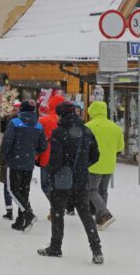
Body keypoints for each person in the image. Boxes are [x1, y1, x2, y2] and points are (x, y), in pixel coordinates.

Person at [38, 102, 103, 264]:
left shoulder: (58, 133)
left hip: (62, 180)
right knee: (85, 214)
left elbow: (55, 160)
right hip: (81, 180)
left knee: (58, 213)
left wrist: (53, 171)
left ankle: (55, 246)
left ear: (60, 115)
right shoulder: (87, 131)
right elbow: (96, 155)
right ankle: (97, 249)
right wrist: (82, 166)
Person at [0, 99, 47, 232]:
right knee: (24, 191)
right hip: (29, 162)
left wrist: (3, 157)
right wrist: (32, 151)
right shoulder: (38, 125)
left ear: (21, 110)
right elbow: (43, 146)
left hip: (14, 162)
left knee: (12, 190)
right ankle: (20, 221)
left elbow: (7, 142)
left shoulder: (15, 123)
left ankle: (28, 213)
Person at [85, 100, 124, 229]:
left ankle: (105, 214)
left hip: (94, 164)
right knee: (103, 190)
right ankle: (100, 220)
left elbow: (84, 147)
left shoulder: (89, 126)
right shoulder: (115, 127)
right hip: (109, 164)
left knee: (91, 190)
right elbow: (120, 147)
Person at [38, 94, 66, 199]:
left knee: (46, 184)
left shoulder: (43, 120)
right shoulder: (67, 121)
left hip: (46, 155)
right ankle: (58, 206)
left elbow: (38, 139)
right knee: (59, 183)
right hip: (63, 156)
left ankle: (55, 206)